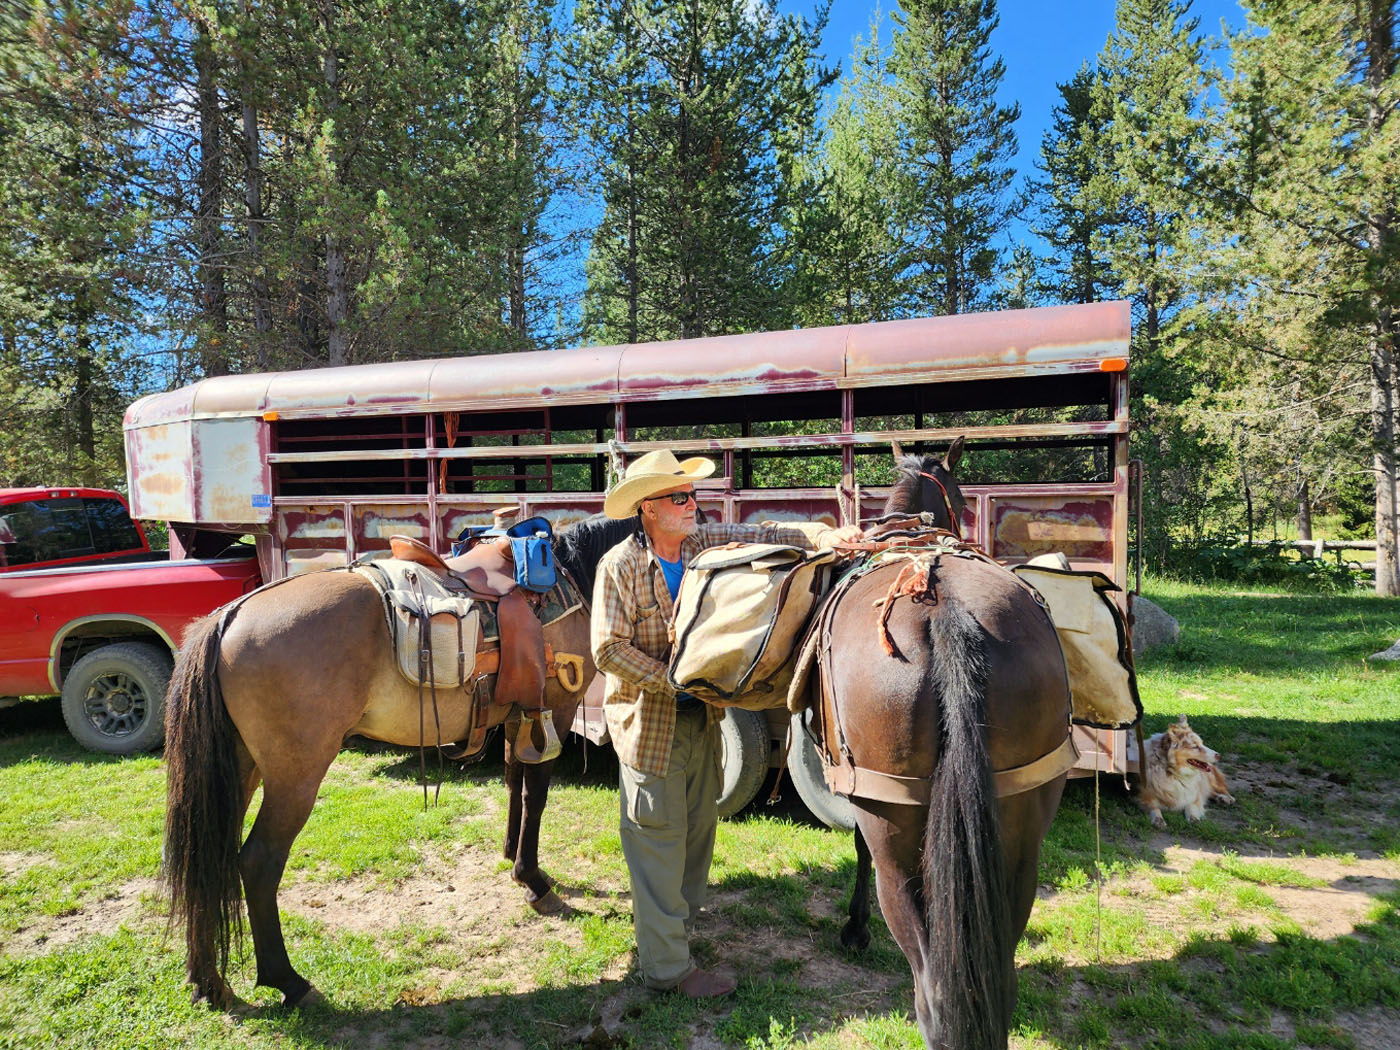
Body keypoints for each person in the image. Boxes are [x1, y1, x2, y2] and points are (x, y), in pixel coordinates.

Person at [590, 448, 860, 998]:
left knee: (697, 832)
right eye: (679, 497)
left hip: (703, 723)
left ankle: (676, 935)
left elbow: (760, 533)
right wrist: (675, 679)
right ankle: (667, 971)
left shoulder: (697, 546)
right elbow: (607, 650)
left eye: (692, 495)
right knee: (658, 842)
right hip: (652, 726)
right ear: (647, 508)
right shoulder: (618, 565)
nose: (693, 504)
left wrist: (824, 535)